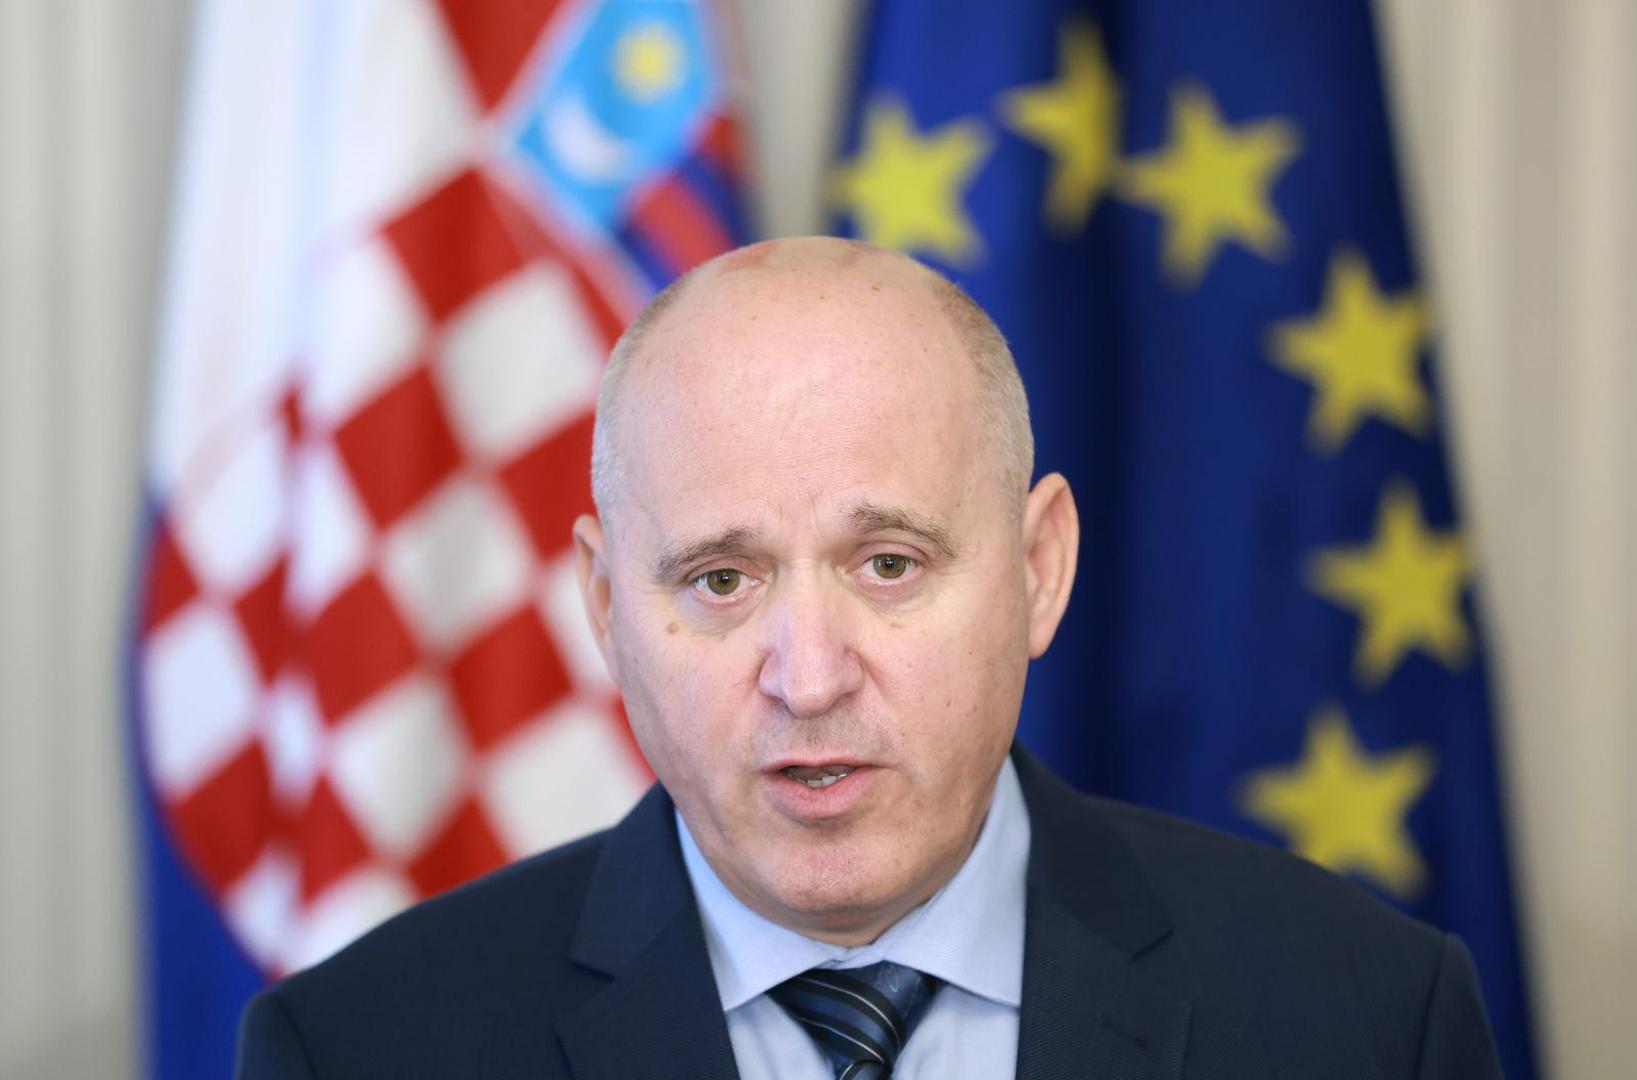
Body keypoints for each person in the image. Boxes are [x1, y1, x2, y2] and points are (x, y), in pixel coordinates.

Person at [236, 237, 1502, 1078]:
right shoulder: (358, 1049)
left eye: (887, 564)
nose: (807, 678)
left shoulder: (1364, 1020)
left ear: (1038, 568)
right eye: (720, 581)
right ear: (607, 608)